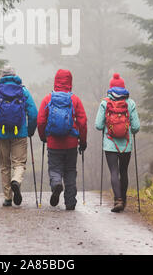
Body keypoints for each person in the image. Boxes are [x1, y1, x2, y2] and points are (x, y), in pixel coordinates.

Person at [0, 66, 38, 207]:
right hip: (19, 133)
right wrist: (30, 130)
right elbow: (33, 113)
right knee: (19, 163)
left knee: (5, 166)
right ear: (15, 75)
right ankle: (16, 181)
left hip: (0, 134)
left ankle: (8, 198)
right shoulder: (23, 91)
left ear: (2, 76)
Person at [37, 69, 87, 211]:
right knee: (70, 171)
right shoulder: (75, 99)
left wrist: (43, 137)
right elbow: (82, 122)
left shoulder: (48, 99)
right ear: (70, 82)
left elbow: (40, 121)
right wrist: (82, 142)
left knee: (54, 168)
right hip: (71, 142)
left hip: (53, 142)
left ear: (55, 81)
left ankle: (57, 184)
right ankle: (70, 202)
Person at [95, 73, 140, 212]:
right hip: (126, 145)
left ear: (110, 87)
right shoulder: (130, 103)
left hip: (110, 144)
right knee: (123, 171)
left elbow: (98, 125)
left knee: (114, 172)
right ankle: (124, 200)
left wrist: (107, 126)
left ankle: (117, 200)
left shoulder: (105, 102)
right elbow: (136, 127)